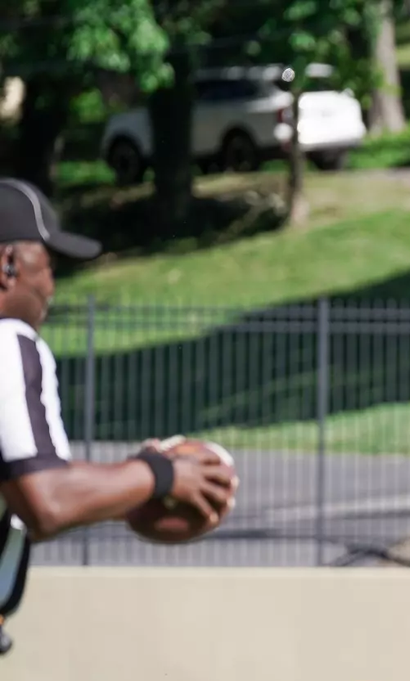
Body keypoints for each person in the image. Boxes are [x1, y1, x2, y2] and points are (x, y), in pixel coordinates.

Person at [0, 179, 235, 655]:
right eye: (47, 266)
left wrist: (120, 489)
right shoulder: (8, 341)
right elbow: (46, 500)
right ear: (6, 264)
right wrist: (161, 475)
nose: (50, 286)